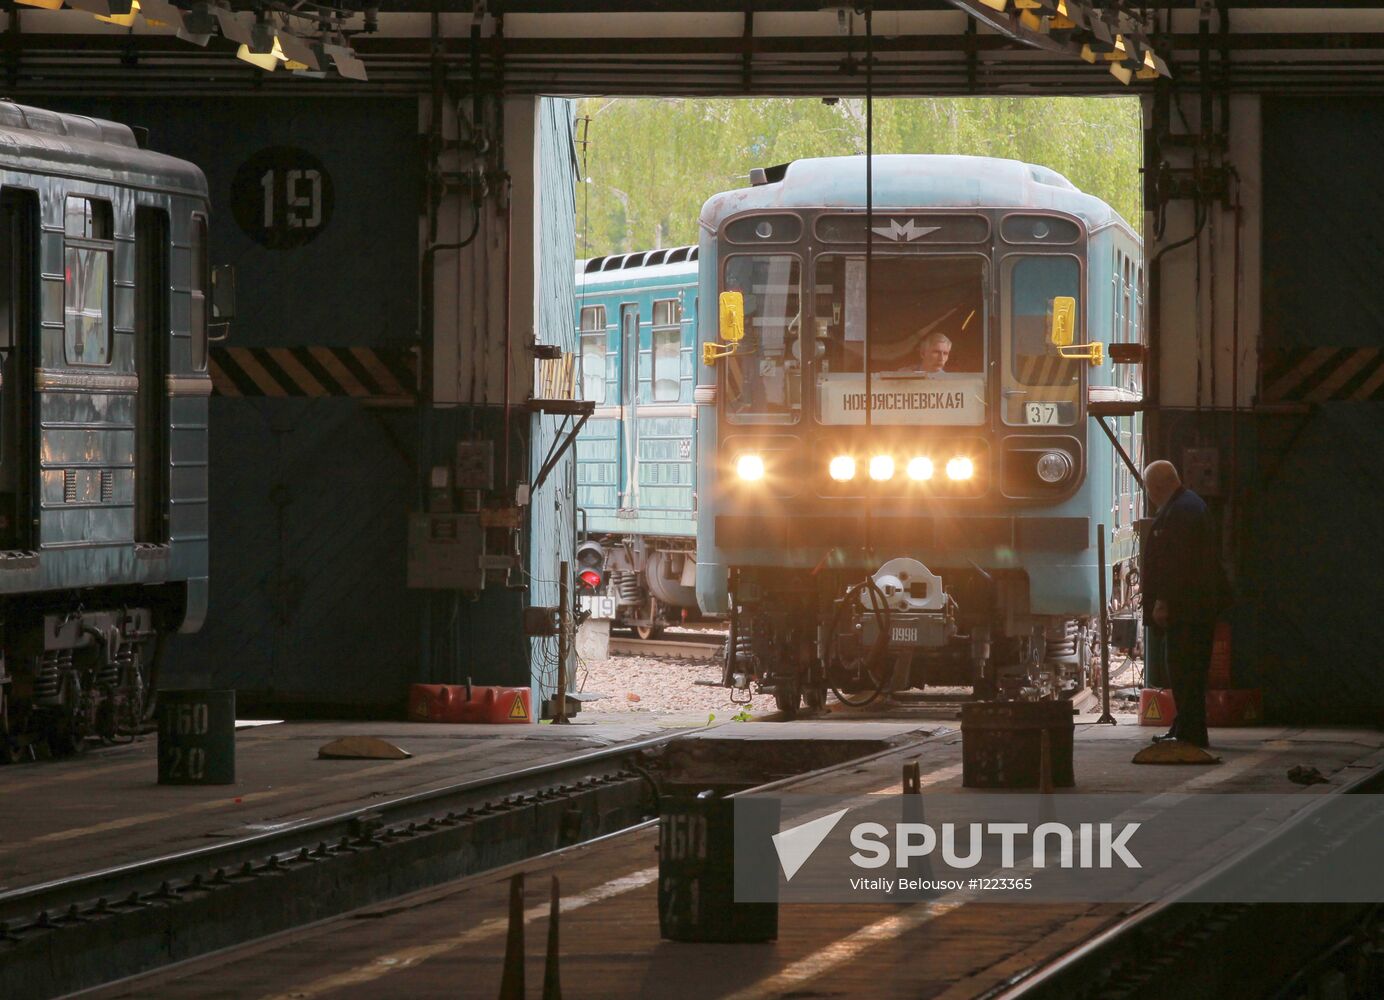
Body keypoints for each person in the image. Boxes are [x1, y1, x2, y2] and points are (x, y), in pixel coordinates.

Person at [1140, 460, 1228, 749]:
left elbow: (1175, 563)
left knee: (1185, 671)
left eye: (1148, 488)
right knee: (1188, 673)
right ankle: (1186, 727)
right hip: (1194, 609)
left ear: (1156, 487)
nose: (1149, 495)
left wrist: (1163, 600)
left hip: (1187, 611)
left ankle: (1191, 732)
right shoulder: (1188, 505)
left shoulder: (1180, 512)